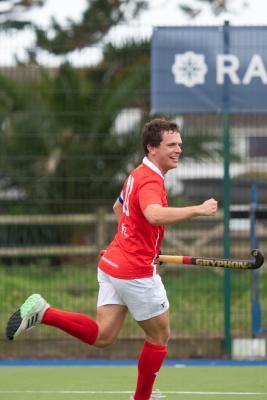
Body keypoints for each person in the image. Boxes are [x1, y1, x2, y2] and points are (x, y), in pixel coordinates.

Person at [6, 118, 218, 400]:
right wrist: (198, 210)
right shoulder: (151, 181)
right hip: (135, 272)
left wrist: (130, 244)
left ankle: (44, 312)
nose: (178, 149)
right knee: (159, 337)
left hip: (113, 264)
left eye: (179, 144)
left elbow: (119, 208)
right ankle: (141, 397)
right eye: (171, 145)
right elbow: (153, 214)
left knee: (104, 336)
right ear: (152, 148)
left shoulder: (137, 174)